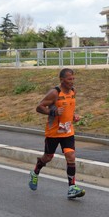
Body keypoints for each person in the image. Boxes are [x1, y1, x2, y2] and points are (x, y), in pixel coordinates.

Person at [29, 68, 85, 199]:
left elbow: (69, 108)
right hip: (53, 133)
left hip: (67, 131)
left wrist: (73, 116)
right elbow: (39, 107)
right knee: (48, 157)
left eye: (73, 79)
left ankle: (72, 187)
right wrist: (53, 112)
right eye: (69, 79)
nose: (72, 81)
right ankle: (35, 171)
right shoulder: (54, 93)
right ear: (61, 80)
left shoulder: (73, 92)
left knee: (70, 156)